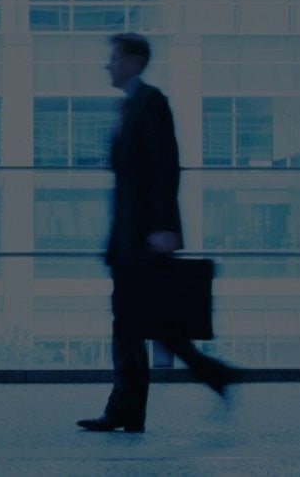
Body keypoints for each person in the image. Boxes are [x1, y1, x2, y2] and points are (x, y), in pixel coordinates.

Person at [78, 33, 237, 434]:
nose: (108, 65)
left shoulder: (151, 102)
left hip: (145, 236)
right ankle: (211, 375)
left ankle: (126, 409)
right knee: (146, 322)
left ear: (134, 61)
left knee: (132, 322)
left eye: (114, 58)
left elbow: (167, 166)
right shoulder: (132, 104)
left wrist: (165, 227)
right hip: (131, 234)